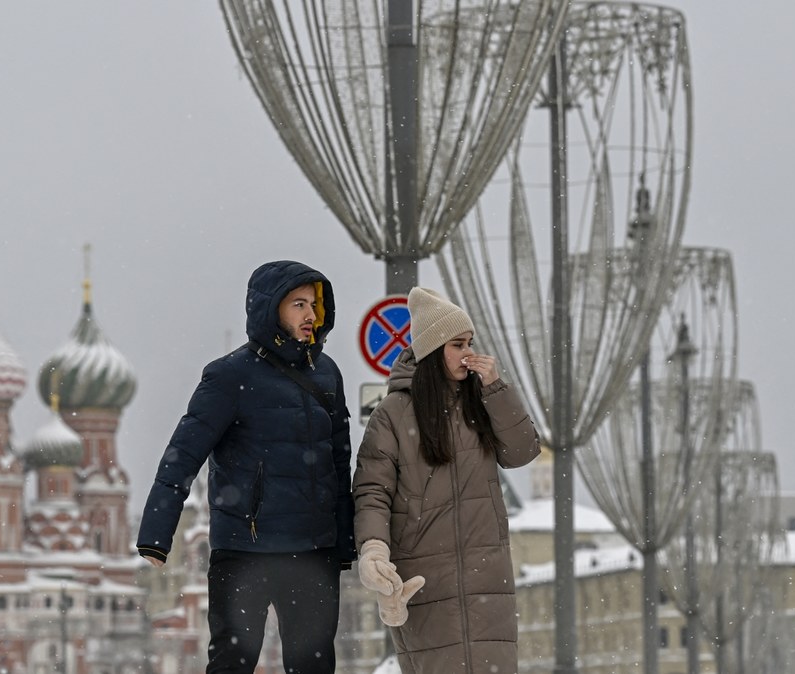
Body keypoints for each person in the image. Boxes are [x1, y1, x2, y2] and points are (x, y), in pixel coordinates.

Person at [136, 260, 356, 674]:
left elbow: (338, 463)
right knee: (232, 664)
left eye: (314, 304)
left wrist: (343, 541)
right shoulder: (229, 376)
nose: (311, 315)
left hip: (312, 553)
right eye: (298, 304)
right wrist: (156, 534)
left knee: (313, 666)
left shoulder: (326, 374)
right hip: (244, 550)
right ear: (271, 309)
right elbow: (183, 454)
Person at [352, 286, 540, 674]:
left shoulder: (481, 402)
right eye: (458, 344)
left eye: (470, 342)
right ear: (434, 349)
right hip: (425, 580)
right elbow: (373, 490)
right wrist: (373, 549)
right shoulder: (393, 413)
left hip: (487, 579)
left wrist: (496, 389)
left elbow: (522, 451)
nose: (468, 352)